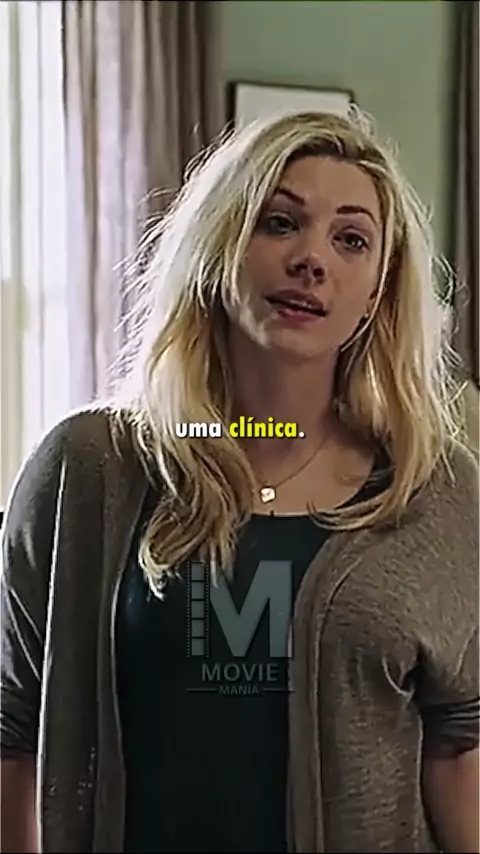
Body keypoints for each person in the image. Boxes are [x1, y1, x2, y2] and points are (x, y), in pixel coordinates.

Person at [1, 108, 479, 854]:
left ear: (377, 292)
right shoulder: (87, 470)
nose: (311, 259)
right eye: (279, 223)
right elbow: (12, 726)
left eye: (351, 239)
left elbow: (458, 746)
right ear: (217, 248)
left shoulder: (433, 489)